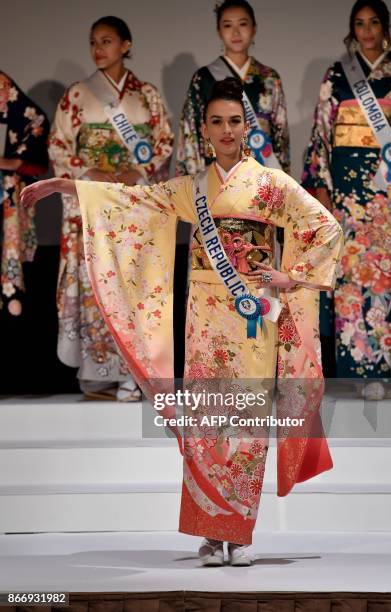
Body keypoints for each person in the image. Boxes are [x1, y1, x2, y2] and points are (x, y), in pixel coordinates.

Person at [22, 78, 343, 566]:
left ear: (246, 126)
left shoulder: (272, 185)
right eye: (217, 121)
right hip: (203, 319)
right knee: (207, 424)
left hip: (251, 317)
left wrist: (289, 275)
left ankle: (240, 533)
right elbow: (135, 202)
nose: (227, 129)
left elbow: (325, 226)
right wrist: (66, 185)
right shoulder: (192, 187)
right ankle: (213, 535)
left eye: (235, 121)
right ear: (204, 129)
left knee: (245, 421)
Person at [48, 15, 174, 401]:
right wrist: (90, 170)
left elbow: (164, 143)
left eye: (106, 41)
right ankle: (95, 372)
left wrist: (136, 171)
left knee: (130, 283)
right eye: (93, 42)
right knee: (94, 282)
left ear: (126, 44)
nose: (98, 49)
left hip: (131, 201)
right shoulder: (76, 96)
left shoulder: (147, 96)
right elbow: (58, 145)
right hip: (91, 200)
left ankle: (131, 374)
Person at [302, 0, 391, 400]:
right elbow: (322, 129)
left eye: (374, 22)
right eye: (360, 23)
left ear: (385, 26)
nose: (367, 30)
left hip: (388, 186)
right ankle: (361, 368)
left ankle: (387, 366)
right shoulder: (338, 74)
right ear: (352, 28)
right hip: (349, 189)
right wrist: (320, 183)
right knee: (354, 276)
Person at [176, 0, 290, 176]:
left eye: (243, 24)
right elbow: (191, 133)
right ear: (219, 31)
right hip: (216, 172)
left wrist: (281, 180)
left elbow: (280, 136)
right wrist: (193, 180)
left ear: (254, 28)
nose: (236, 32)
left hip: (261, 173)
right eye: (228, 25)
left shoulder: (269, 78)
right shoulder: (203, 78)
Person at [0, 71, 49, 315]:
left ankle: (11, 291)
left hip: (7, 183)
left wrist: (14, 162)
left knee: (11, 234)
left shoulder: (4, 85)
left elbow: (37, 120)